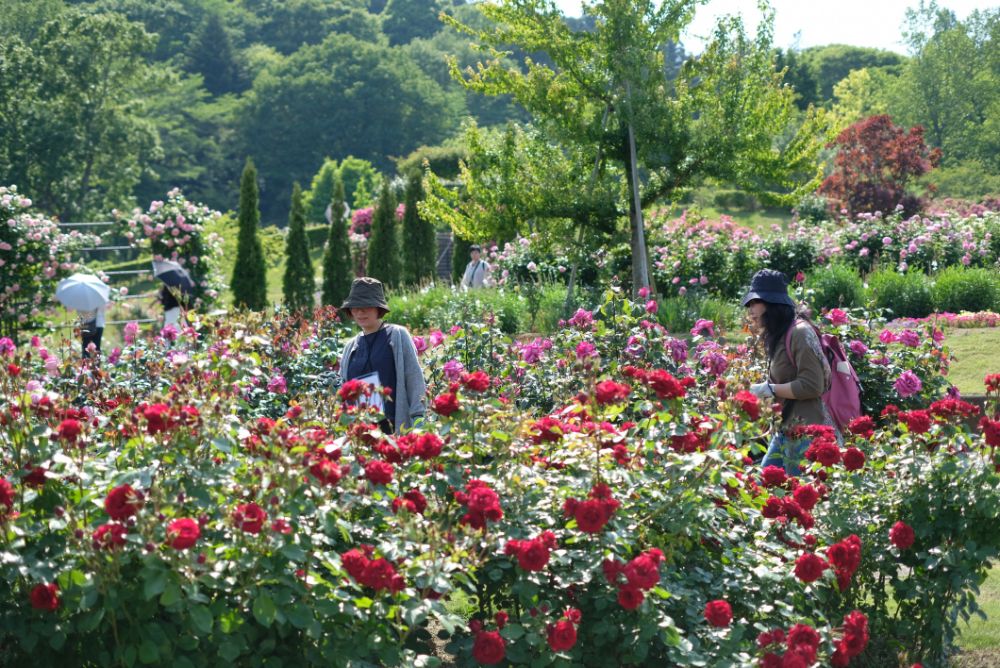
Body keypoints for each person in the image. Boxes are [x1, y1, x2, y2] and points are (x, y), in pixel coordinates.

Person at [743, 269, 833, 475]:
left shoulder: (799, 333)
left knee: (794, 497)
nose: (750, 309)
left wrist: (770, 389)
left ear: (772, 304)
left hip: (806, 434)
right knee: (763, 488)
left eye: (754, 302)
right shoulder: (781, 333)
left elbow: (812, 385)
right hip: (786, 429)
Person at [339, 277, 426, 433]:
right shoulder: (350, 347)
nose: (360, 311)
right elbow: (344, 391)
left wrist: (418, 418)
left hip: (393, 429)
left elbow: (414, 378)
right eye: (355, 307)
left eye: (366, 306)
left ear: (378, 308)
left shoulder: (397, 335)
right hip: (361, 432)